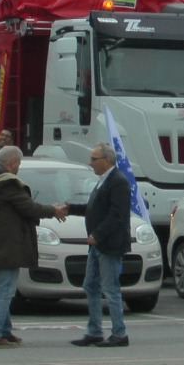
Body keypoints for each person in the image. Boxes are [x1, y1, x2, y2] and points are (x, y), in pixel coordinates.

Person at [0, 145, 60, 349]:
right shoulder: (8, 184)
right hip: (6, 246)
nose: (19, 167)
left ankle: (4, 330)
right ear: (13, 163)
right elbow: (29, 208)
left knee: (0, 289)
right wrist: (54, 210)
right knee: (5, 290)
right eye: (19, 163)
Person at [65, 143, 131, 347]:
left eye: (94, 159)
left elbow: (117, 215)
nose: (90, 163)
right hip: (97, 244)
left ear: (107, 160)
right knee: (90, 285)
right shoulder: (103, 181)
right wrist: (70, 209)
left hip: (109, 244)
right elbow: (94, 208)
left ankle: (119, 333)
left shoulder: (118, 182)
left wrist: (98, 234)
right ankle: (94, 331)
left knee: (110, 289)